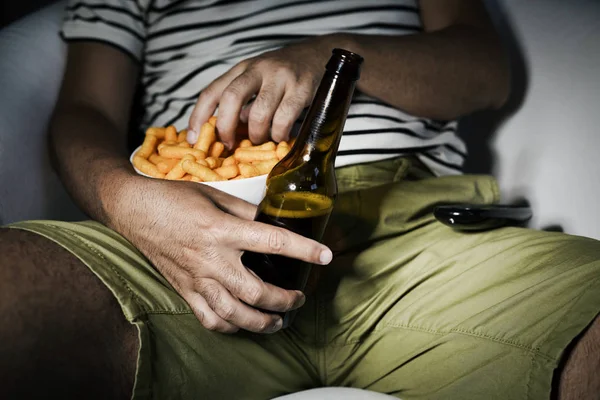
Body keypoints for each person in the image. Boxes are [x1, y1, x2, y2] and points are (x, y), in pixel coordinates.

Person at [1, 0, 598, 399]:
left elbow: (483, 72)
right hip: (177, 238)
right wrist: (123, 202)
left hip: (412, 241)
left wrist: (329, 56)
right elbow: (85, 111)